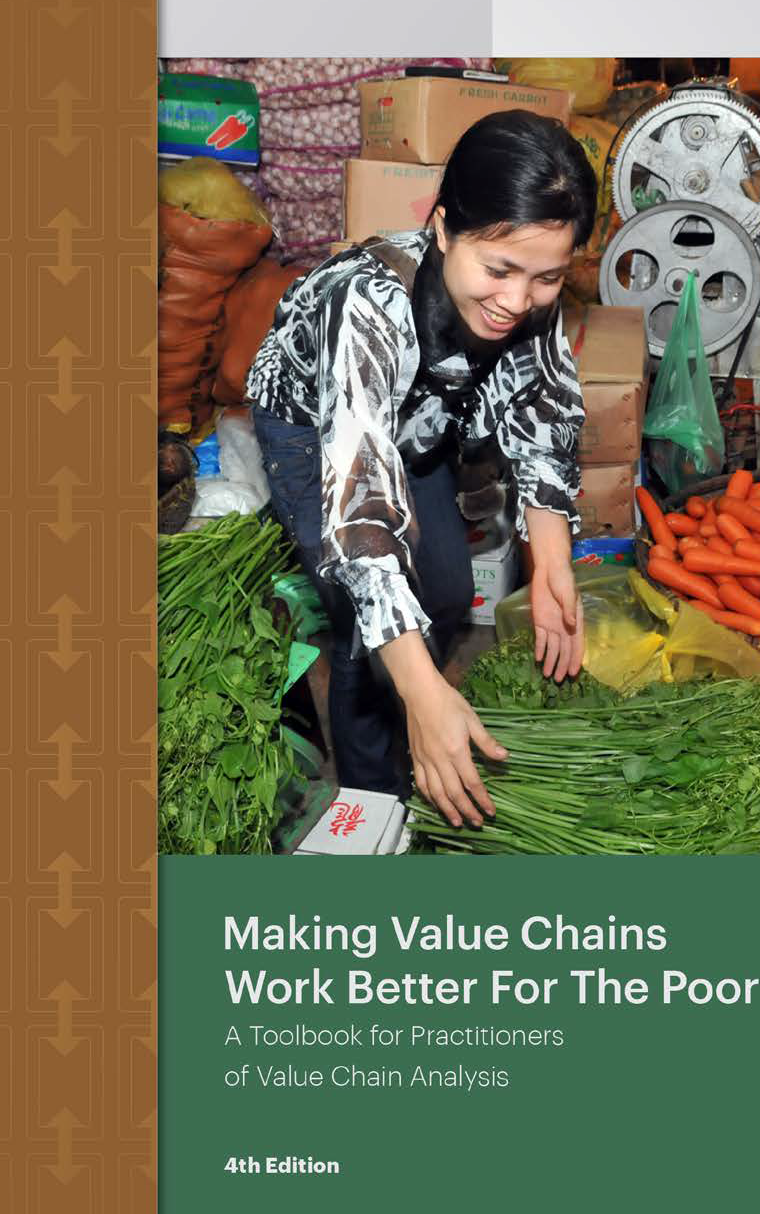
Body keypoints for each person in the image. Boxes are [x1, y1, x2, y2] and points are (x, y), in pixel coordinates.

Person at [245, 109, 596, 831]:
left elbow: (544, 417)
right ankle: (376, 800)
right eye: (497, 270)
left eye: (545, 278)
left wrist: (551, 565)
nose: (516, 302)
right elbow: (363, 522)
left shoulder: (527, 292)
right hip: (316, 429)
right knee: (363, 614)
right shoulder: (365, 304)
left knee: (440, 590)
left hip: (421, 413)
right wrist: (419, 691)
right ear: (441, 228)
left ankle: (419, 720)